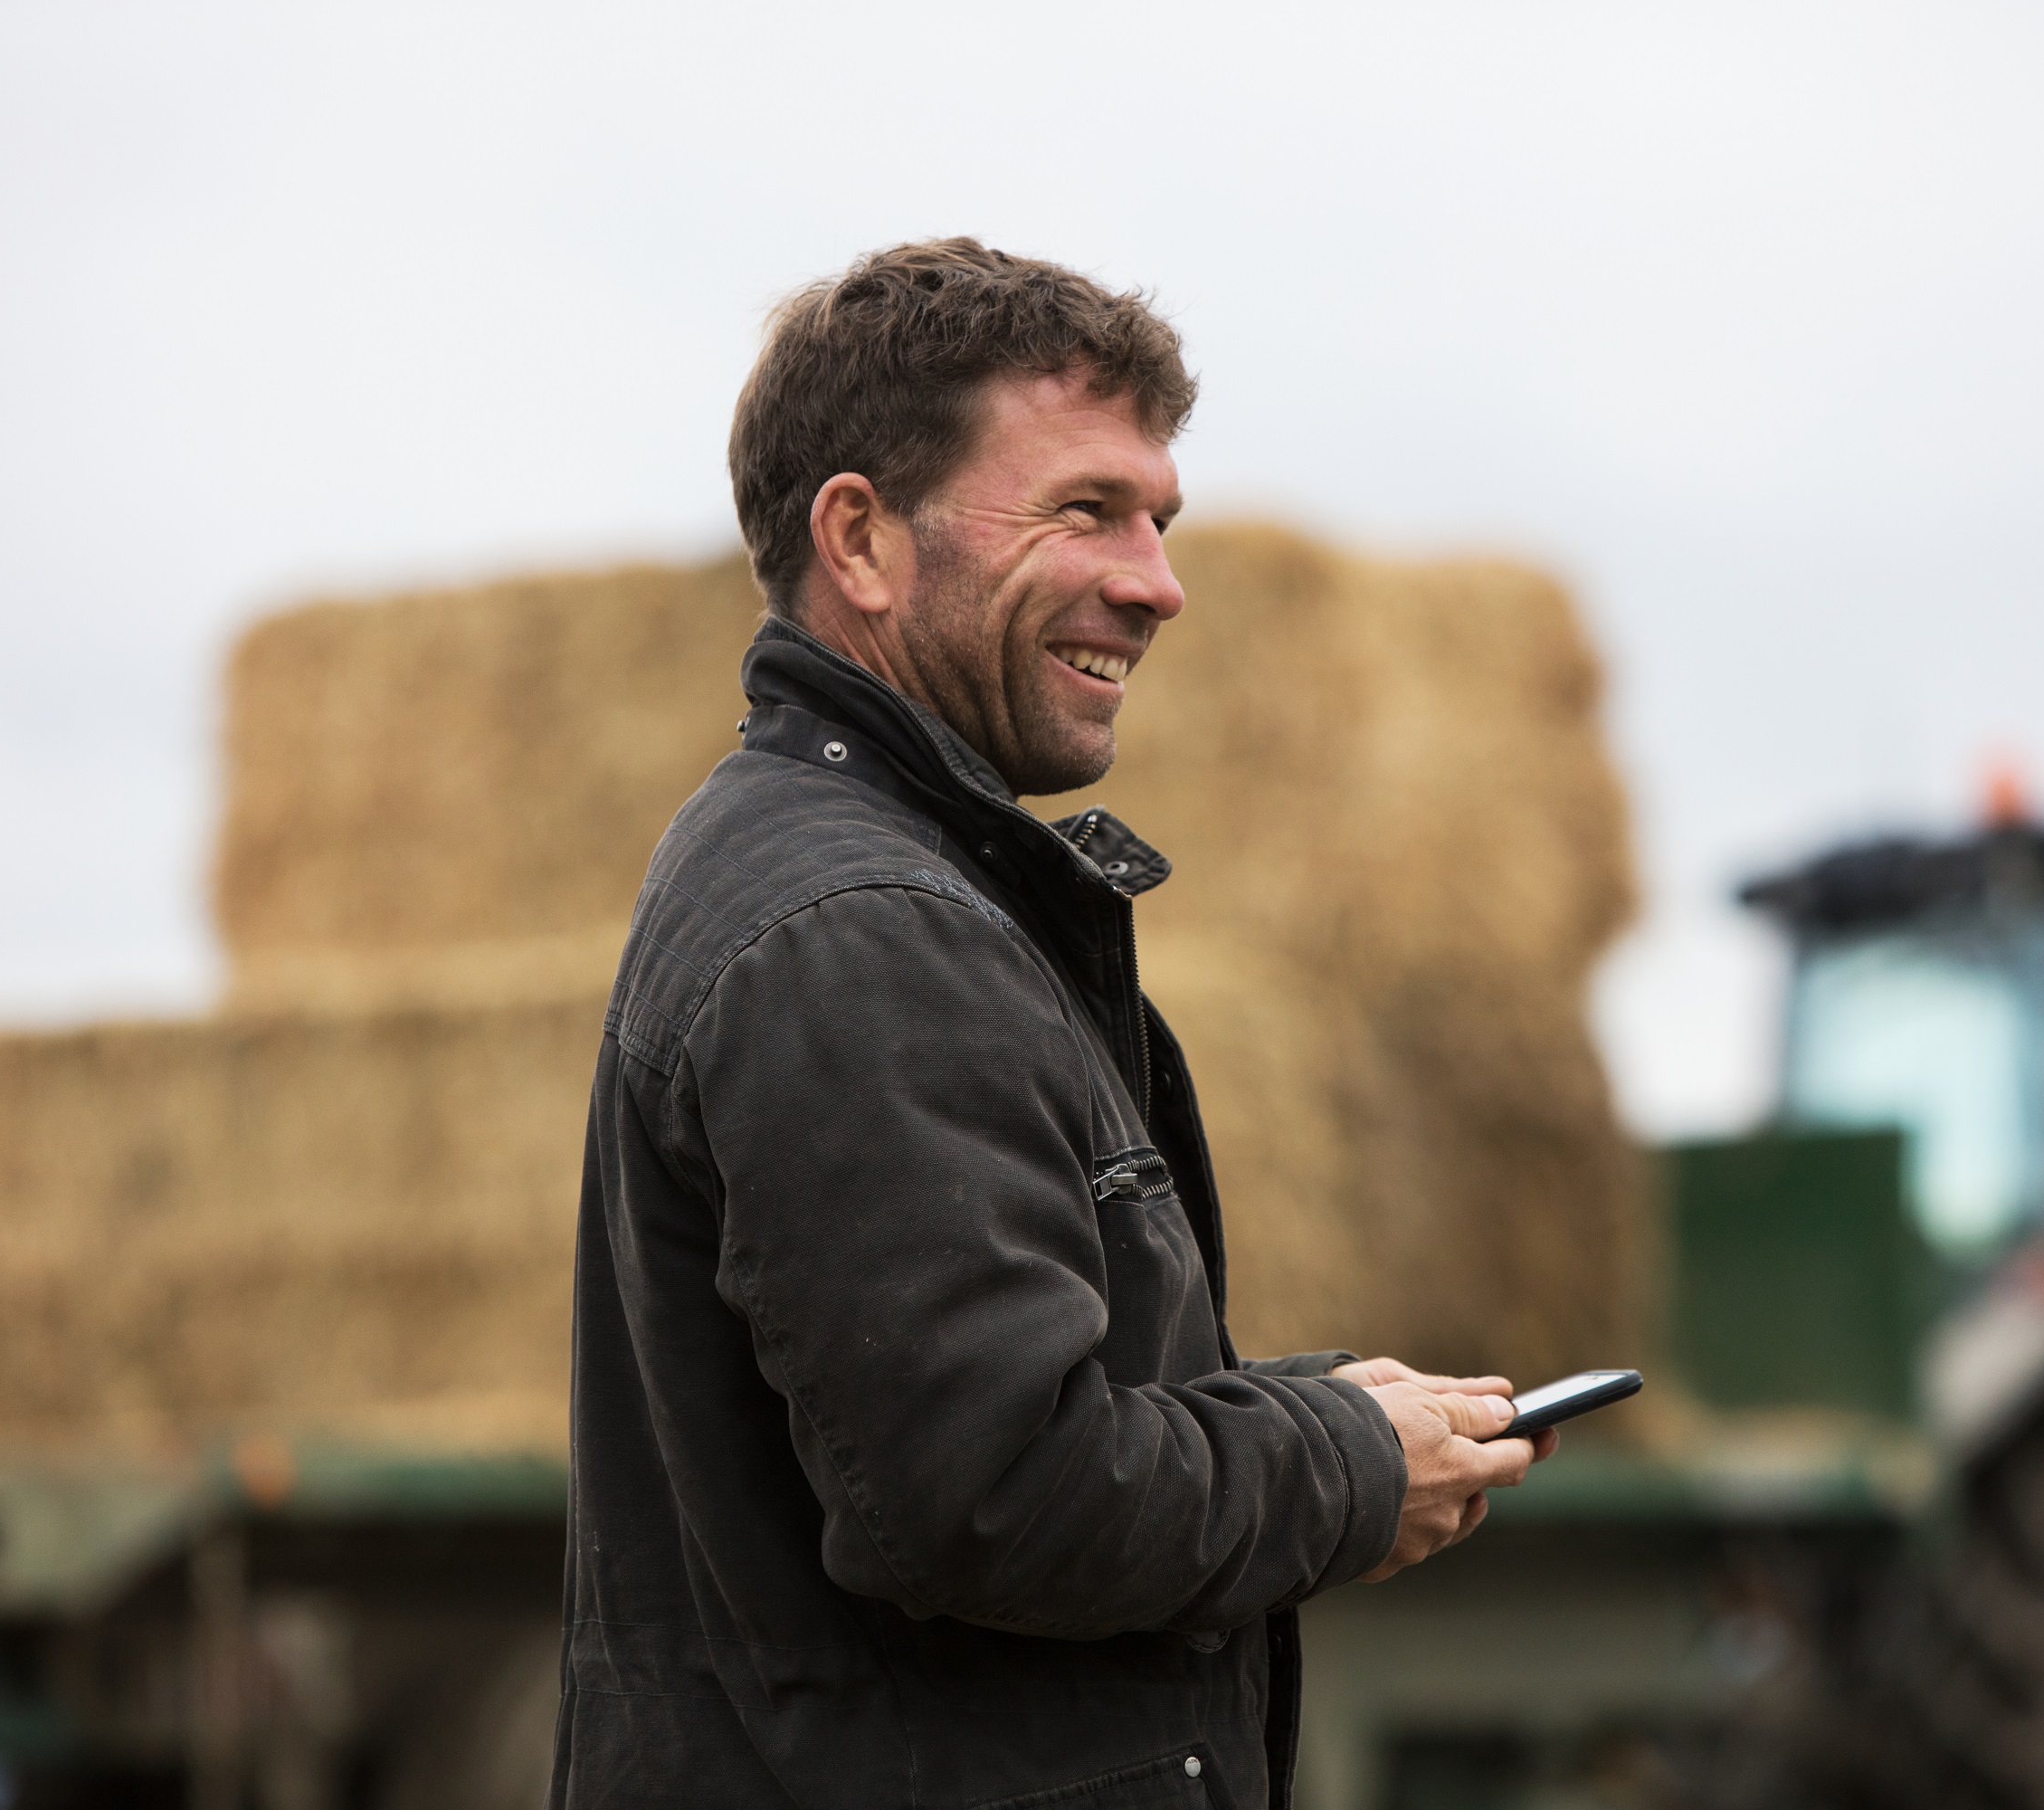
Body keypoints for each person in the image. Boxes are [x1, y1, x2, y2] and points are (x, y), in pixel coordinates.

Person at [552, 239, 1550, 1810]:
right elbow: (995, 1495)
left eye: (1159, 519)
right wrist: (1348, 1472)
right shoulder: (858, 935)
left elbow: (993, 1417)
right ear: (862, 541)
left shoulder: (877, 884)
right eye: (1085, 509)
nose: (1157, 582)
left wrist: (1316, 1413)